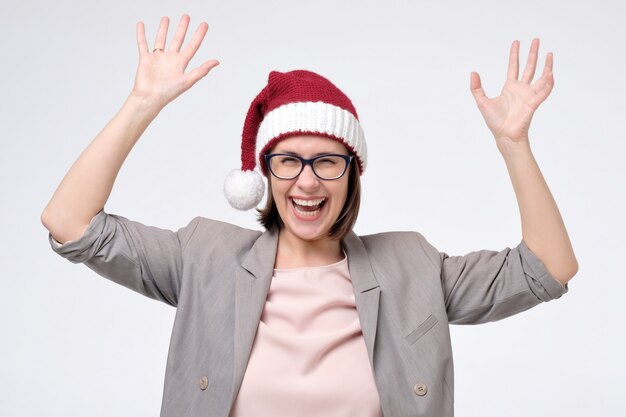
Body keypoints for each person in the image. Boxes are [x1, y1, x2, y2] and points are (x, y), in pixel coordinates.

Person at [41, 14, 578, 417]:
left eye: (326, 161)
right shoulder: (204, 256)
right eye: (287, 161)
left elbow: (548, 268)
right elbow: (70, 223)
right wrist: (141, 102)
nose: (306, 180)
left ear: (352, 173)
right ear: (264, 173)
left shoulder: (411, 265)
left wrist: (514, 144)